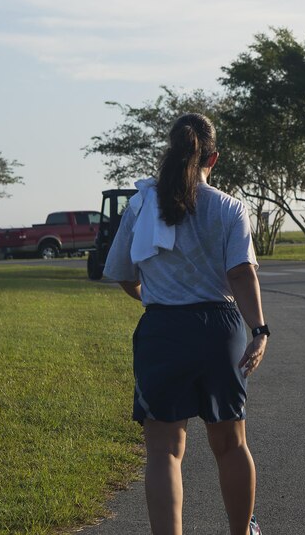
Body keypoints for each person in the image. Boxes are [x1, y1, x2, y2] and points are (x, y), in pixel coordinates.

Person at [104, 113, 270, 535]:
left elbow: (124, 273)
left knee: (164, 451)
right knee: (231, 445)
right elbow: (241, 274)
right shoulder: (229, 207)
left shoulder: (142, 204)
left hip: (163, 331)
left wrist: (153, 299)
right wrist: (259, 330)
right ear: (212, 157)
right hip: (220, 329)